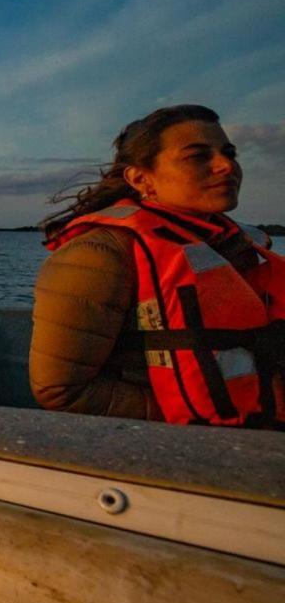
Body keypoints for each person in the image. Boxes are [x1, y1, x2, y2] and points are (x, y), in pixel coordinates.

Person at [32, 104, 284, 427]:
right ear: (140, 178)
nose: (226, 166)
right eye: (198, 156)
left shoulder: (237, 248)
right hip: (178, 445)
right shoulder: (97, 256)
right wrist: (188, 417)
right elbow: (60, 391)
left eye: (229, 153)